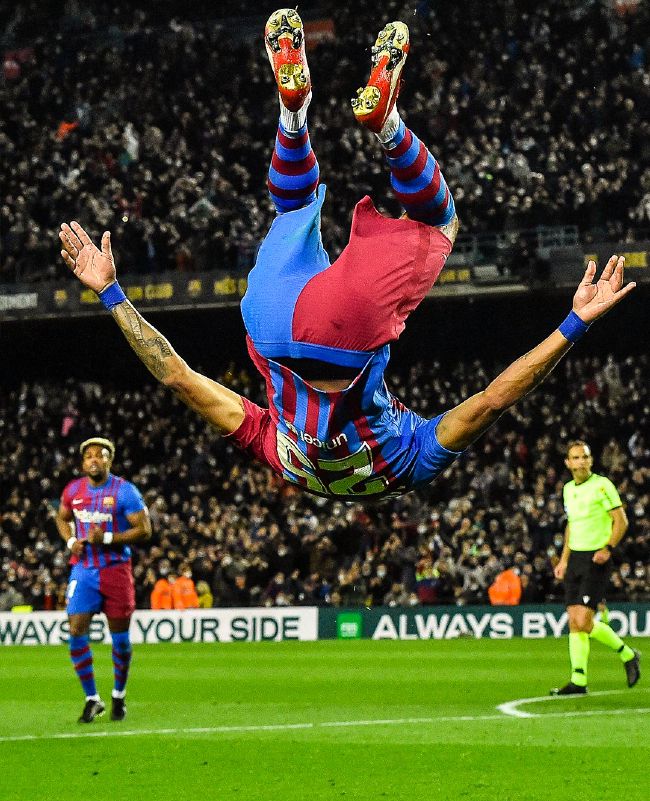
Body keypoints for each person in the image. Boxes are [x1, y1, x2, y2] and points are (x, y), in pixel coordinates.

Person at [58, 12, 636, 504]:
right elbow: (178, 377)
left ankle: (386, 126)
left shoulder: (408, 467)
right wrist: (111, 292)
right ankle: (293, 113)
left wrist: (575, 323)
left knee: (440, 221)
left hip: (346, 329)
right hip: (267, 319)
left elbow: (495, 398)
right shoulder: (281, 459)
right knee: (294, 207)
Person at [55, 437, 152, 723]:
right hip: (84, 569)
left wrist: (108, 537)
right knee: (75, 629)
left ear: (110, 460)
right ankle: (91, 698)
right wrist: (71, 539)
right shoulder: (73, 490)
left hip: (115, 570)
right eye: (89, 456)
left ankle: (118, 695)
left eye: (101, 455)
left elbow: (145, 530)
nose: (94, 459)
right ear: (83, 462)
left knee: (120, 640)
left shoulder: (125, 492)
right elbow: (61, 518)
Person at [551, 441, 640, 695]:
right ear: (567, 463)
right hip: (575, 558)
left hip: (596, 558)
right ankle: (578, 679)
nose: (580, 462)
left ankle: (627, 653)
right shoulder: (568, 489)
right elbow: (571, 525)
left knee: (583, 619)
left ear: (591, 461)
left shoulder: (602, 485)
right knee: (574, 622)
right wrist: (564, 559)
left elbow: (621, 521)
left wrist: (608, 548)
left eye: (585, 457)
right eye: (575, 458)